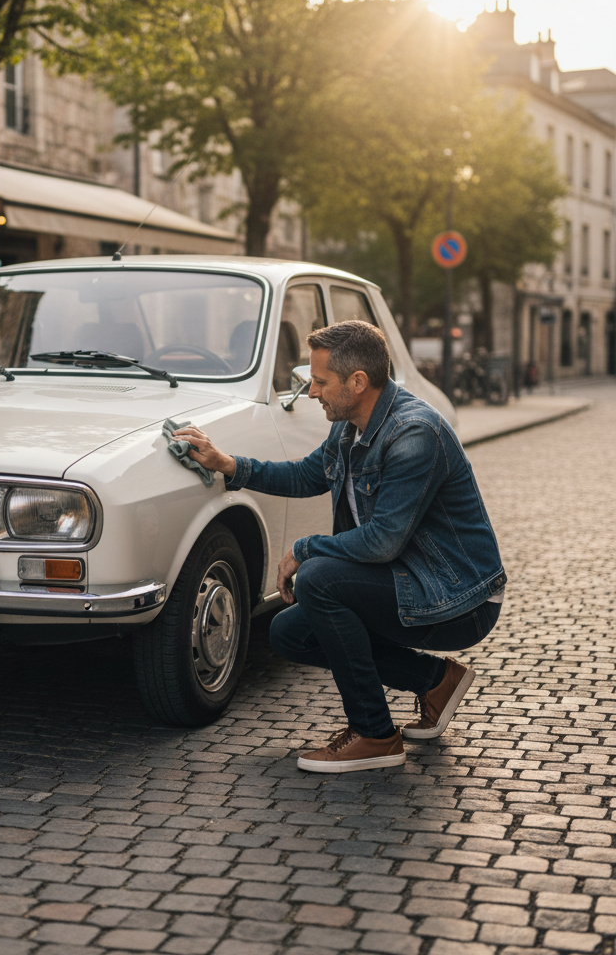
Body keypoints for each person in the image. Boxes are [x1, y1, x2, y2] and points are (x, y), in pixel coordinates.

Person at [173, 320, 506, 774]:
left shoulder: (414, 433)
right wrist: (226, 463)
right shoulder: (351, 426)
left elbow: (383, 541)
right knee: (289, 632)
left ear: (358, 382)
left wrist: (305, 549)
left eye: (320, 381)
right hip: (408, 581)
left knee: (319, 579)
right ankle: (435, 682)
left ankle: (374, 734)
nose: (311, 392)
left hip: (457, 597)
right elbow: (305, 475)